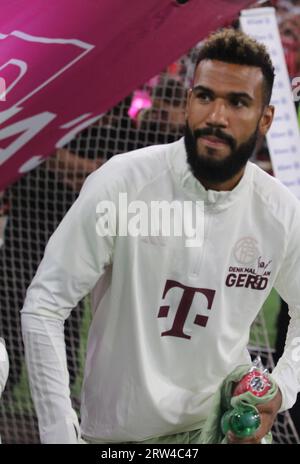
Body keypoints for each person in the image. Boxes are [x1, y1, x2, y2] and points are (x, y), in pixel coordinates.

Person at [21, 28, 300, 444]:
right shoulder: (122, 181)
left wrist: (280, 389)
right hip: (119, 439)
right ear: (189, 102)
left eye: (238, 102)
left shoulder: (281, 211)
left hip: (221, 433)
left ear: (265, 118)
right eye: (205, 96)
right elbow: (44, 305)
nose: (217, 116)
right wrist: (59, 432)